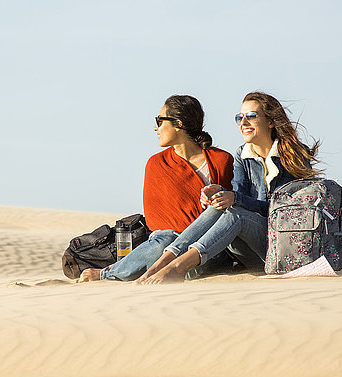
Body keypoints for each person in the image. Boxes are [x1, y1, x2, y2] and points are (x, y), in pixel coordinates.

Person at [136, 91, 321, 284]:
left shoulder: (292, 157)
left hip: (283, 247)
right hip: (249, 251)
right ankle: (164, 262)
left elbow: (286, 214)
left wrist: (235, 198)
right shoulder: (242, 154)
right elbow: (238, 197)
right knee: (221, 205)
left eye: (251, 116)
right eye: (239, 118)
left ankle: (177, 267)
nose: (243, 122)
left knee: (236, 214)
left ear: (270, 122)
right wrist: (219, 194)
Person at [79, 95, 234, 282]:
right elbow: (158, 222)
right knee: (164, 241)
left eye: (159, 121)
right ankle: (110, 273)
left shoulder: (221, 160)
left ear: (179, 124)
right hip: (168, 244)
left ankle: (112, 272)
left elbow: (227, 214)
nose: (155, 128)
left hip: (206, 248)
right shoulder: (157, 164)